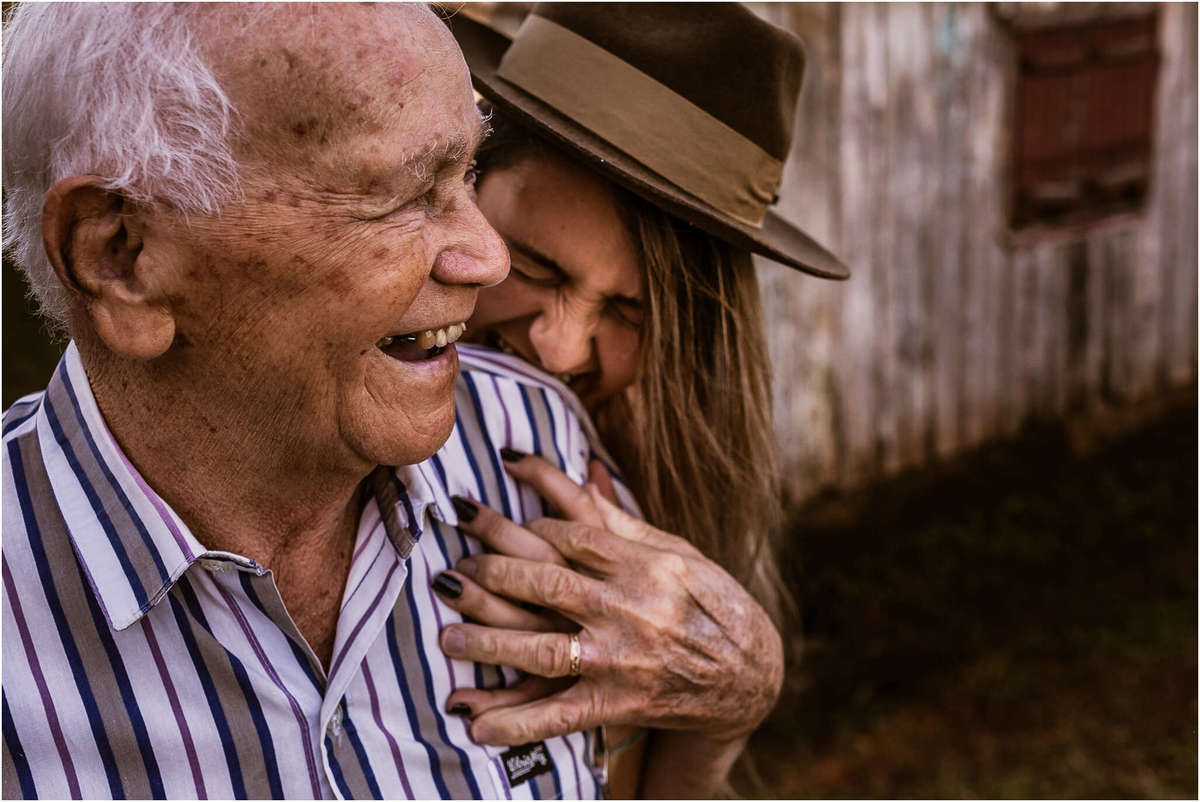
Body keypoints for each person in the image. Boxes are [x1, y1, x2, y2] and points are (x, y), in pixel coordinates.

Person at [0, 4, 631, 798]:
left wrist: (727, 699)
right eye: (405, 194)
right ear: (121, 256)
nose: (487, 257)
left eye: (468, 173)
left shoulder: (533, 443)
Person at [430, 4, 850, 798]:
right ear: (465, 184)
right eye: (536, 267)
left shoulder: (659, 485)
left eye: (630, 313)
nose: (560, 351)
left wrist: (733, 698)